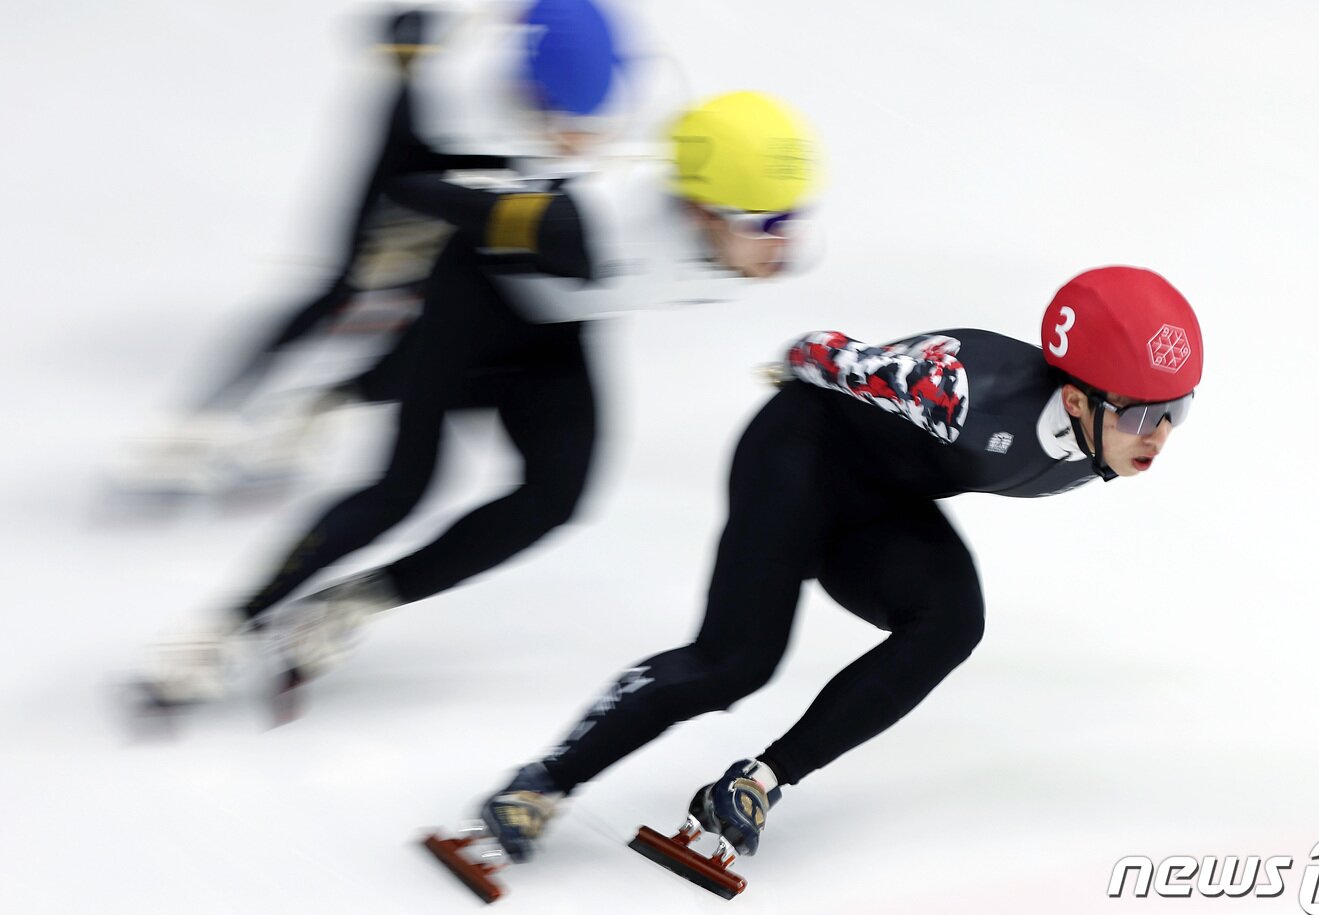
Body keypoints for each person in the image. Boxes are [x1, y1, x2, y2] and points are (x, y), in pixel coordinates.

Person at [466, 265, 1203, 873]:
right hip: (796, 456)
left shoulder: (1098, 441)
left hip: (879, 500)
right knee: (736, 661)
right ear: (1075, 398)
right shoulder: (965, 389)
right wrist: (791, 361)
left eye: (1178, 411)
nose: (1160, 437)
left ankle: (754, 783)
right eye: (1142, 416)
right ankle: (543, 783)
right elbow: (828, 352)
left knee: (951, 623)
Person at [137, 87, 821, 707]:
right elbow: (438, 190)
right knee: (404, 488)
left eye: (794, 217)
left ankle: (351, 601)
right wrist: (391, 243)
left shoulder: (766, 238)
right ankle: (223, 626)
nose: (782, 244)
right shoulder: (589, 222)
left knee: (558, 496)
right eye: (763, 224)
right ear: (700, 210)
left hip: (555, 323)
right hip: (472, 304)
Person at [114, 1, 634, 498]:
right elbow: (433, 187)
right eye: (557, 118)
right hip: (425, 152)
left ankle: (317, 409)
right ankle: (199, 417)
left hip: (494, 142)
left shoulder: (602, 67)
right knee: (351, 284)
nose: (573, 136)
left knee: (445, 296)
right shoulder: (457, 97)